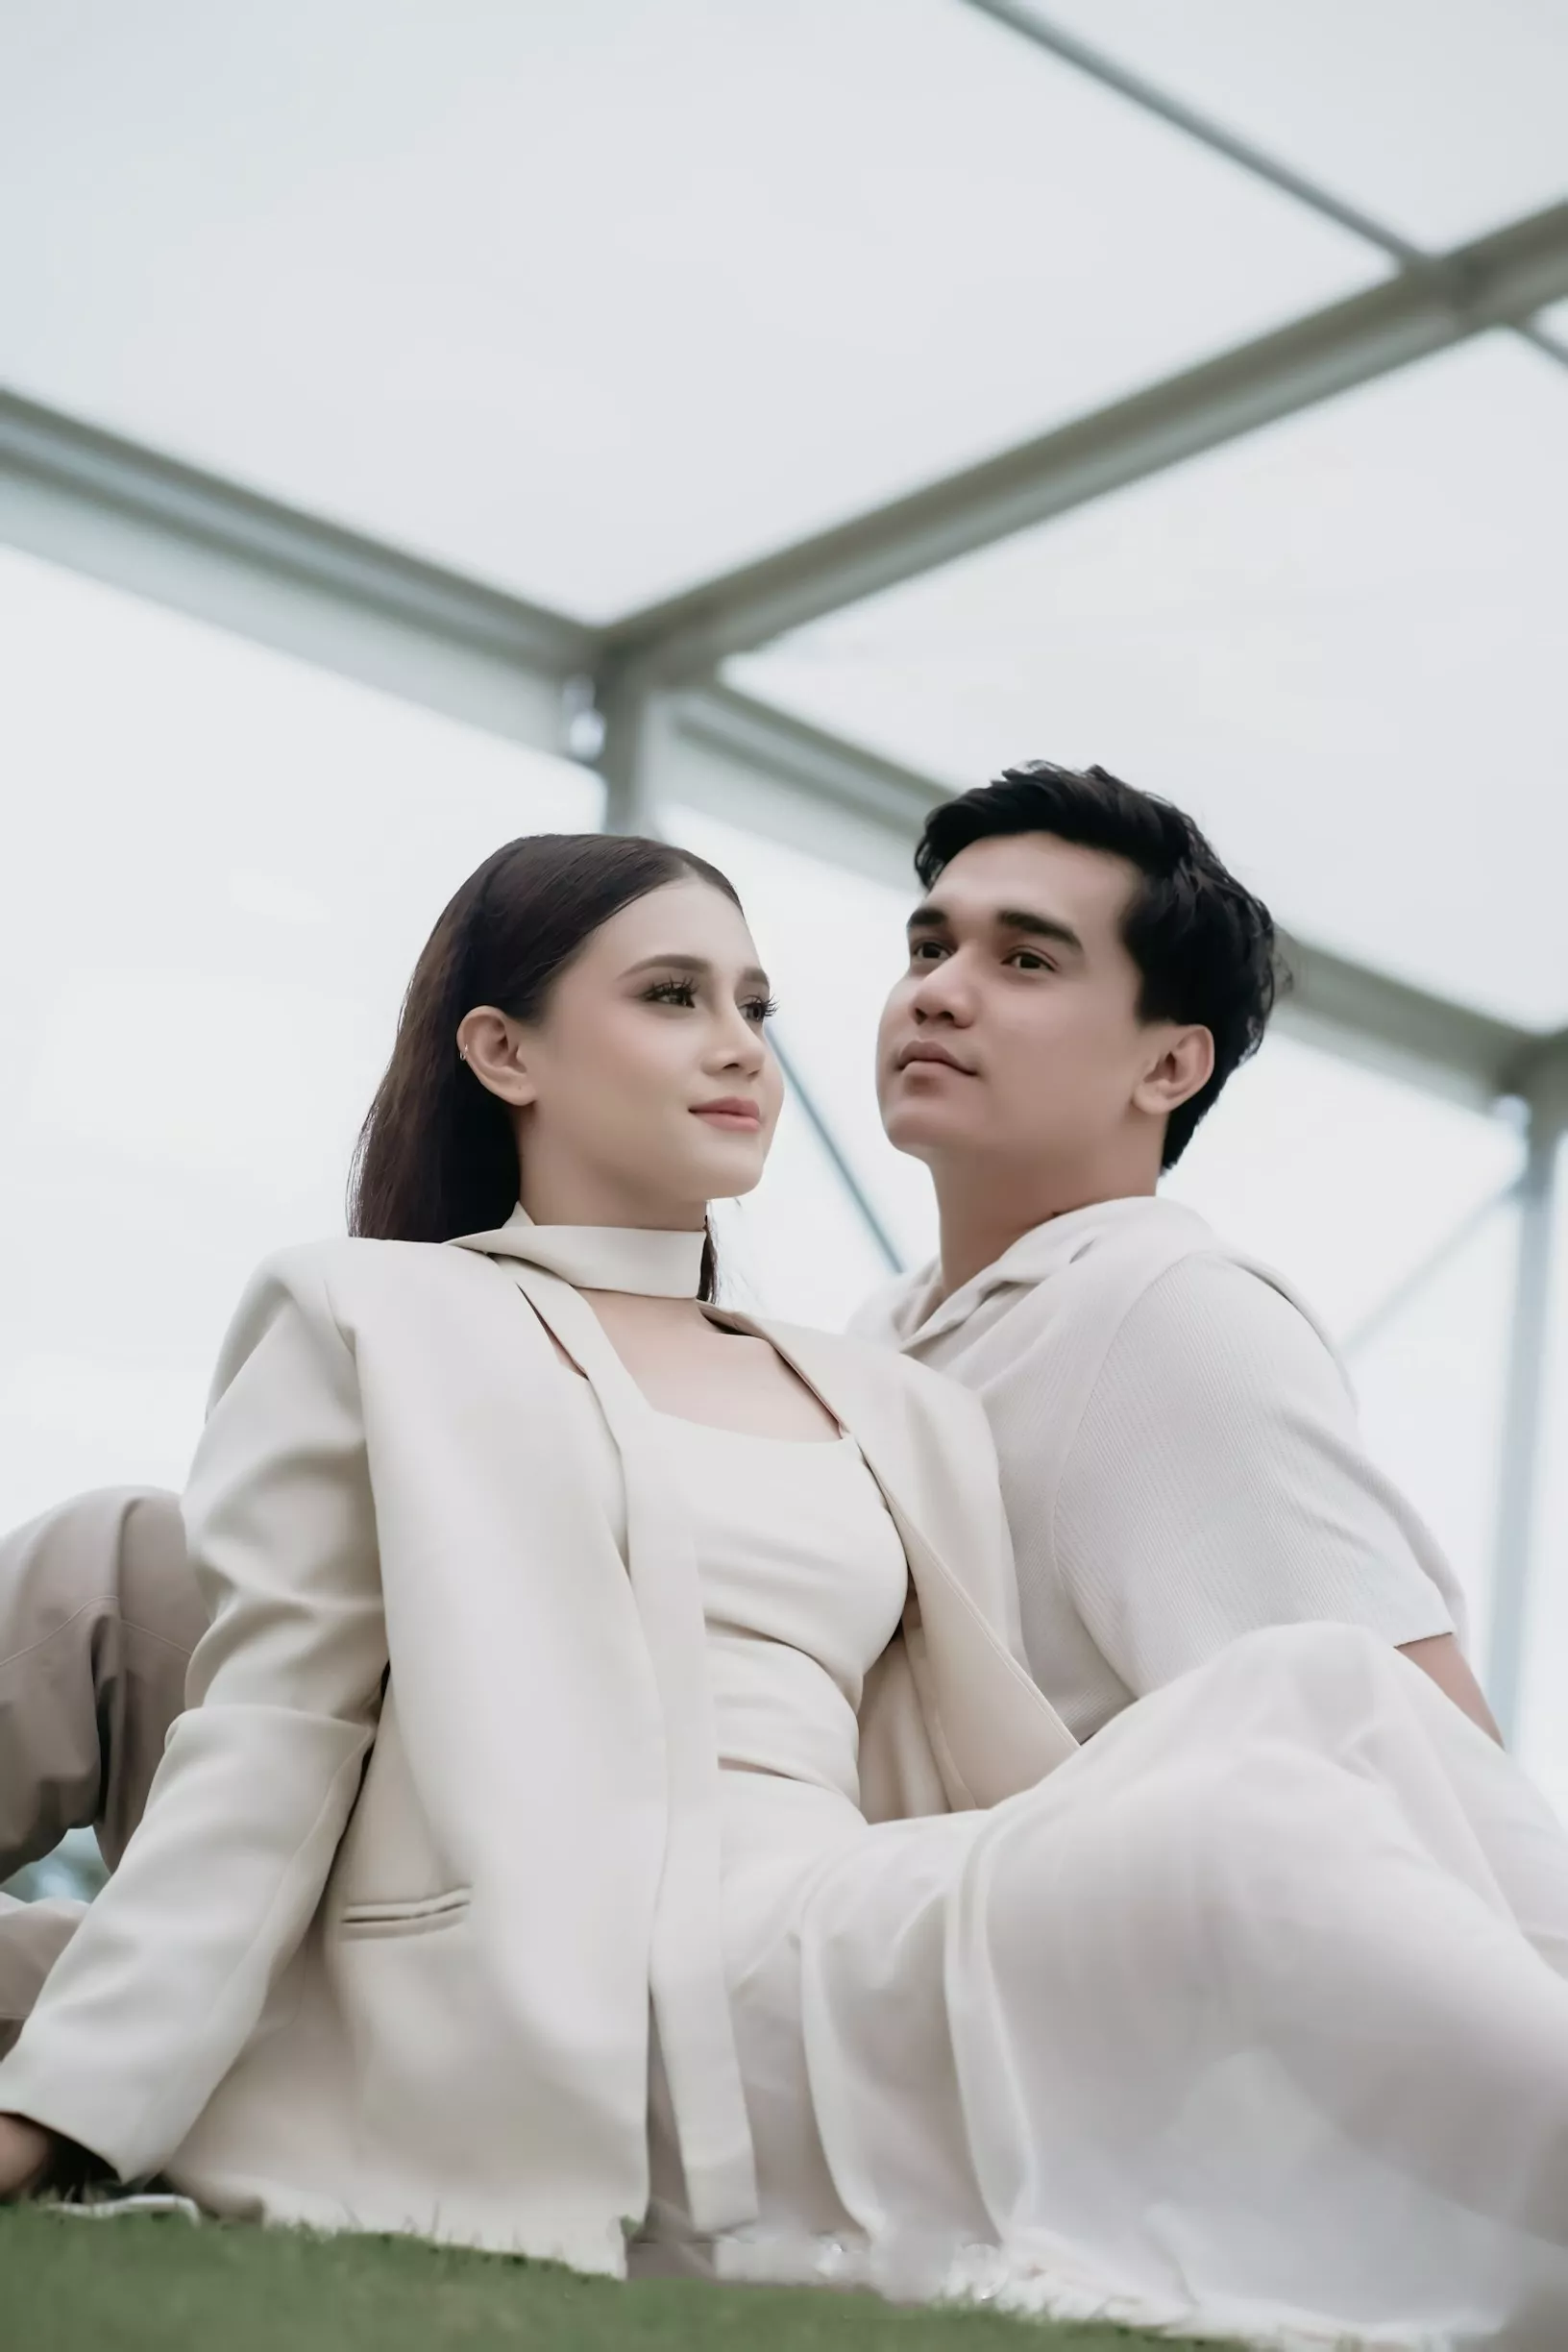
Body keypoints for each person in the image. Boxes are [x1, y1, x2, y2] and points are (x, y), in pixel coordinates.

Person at [5, 831, 1568, 2349]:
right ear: (503, 1050)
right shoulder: (371, 1313)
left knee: (1313, 1698)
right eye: (671, 996)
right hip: (577, 1984)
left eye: (753, 1003)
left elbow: (971, 1762)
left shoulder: (892, 1397)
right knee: (113, 1549)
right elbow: (273, 1738)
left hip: (836, 1922)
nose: (741, 1042)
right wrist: (56, 2110)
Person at [856, 760, 1498, 1746]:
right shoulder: (883, 1332)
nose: (938, 992)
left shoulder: (1167, 1315)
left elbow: (1427, 1771)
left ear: (1167, 1065)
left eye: (1025, 961)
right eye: (929, 948)